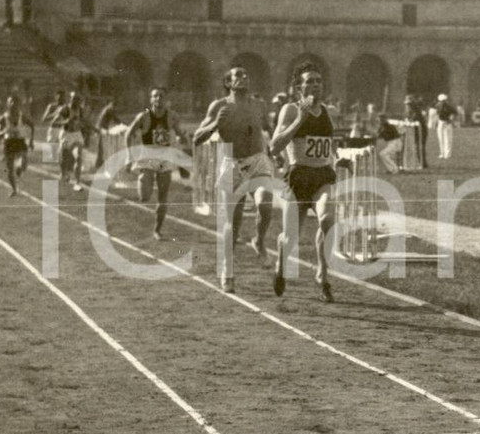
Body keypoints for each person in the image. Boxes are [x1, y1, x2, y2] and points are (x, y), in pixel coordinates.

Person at [193, 67, 275, 293]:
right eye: (238, 75)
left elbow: (272, 132)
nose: (244, 77)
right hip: (231, 164)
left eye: (246, 74)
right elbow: (196, 138)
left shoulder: (259, 105)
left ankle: (258, 240)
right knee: (232, 224)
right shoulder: (219, 106)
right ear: (228, 82)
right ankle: (227, 273)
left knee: (265, 204)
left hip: (257, 160)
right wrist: (214, 125)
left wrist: (280, 153)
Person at [269, 62, 339, 303]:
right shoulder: (289, 110)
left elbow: (326, 144)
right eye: (309, 81)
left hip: (322, 176)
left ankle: (322, 274)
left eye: (318, 80)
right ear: (299, 87)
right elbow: (274, 146)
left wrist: (338, 158)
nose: (315, 85)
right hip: (298, 178)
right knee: (290, 239)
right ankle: (281, 262)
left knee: (328, 220)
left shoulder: (328, 111)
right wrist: (300, 118)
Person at [126, 87, 185, 241]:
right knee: (144, 197)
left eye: (161, 96)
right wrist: (129, 156)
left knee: (163, 196)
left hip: (164, 158)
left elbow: (180, 134)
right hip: (147, 156)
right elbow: (128, 133)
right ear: (151, 100)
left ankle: (157, 230)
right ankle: (146, 180)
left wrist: (182, 138)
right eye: (155, 96)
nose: (158, 99)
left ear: (165, 99)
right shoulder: (144, 116)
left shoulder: (172, 116)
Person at [0, 95, 34, 197]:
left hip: (20, 141)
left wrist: (31, 141)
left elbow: (32, 126)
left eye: (14, 103)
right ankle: (13, 189)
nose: (12, 105)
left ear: (17, 105)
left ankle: (19, 168)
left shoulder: (22, 116)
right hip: (9, 142)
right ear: (8, 104)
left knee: (23, 164)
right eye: (10, 102)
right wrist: (0, 134)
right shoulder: (4, 117)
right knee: (9, 168)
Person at [51, 91, 91, 191]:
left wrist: (93, 130)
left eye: (77, 99)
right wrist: (65, 121)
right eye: (73, 99)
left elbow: (85, 122)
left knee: (78, 157)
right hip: (66, 135)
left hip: (77, 135)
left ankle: (77, 183)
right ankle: (63, 173)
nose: (75, 101)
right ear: (70, 99)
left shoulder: (81, 110)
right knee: (63, 157)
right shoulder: (65, 109)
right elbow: (54, 122)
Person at [95, 99, 122, 170]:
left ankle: (100, 162)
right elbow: (115, 119)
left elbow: (114, 119)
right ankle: (100, 162)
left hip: (102, 127)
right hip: (101, 127)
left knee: (102, 145)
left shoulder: (108, 108)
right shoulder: (109, 109)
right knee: (103, 144)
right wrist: (122, 124)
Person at [404, 95, 428, 169]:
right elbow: (408, 117)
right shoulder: (409, 110)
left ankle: (422, 163)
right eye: (407, 104)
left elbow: (415, 118)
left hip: (421, 130)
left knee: (419, 147)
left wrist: (409, 120)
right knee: (418, 146)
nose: (408, 105)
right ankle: (423, 163)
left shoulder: (416, 110)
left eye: (409, 104)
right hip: (415, 130)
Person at [435, 93, 457, 160]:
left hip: (442, 122)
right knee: (447, 139)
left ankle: (443, 154)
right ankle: (446, 154)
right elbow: (455, 112)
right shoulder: (448, 106)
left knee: (442, 138)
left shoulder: (438, 105)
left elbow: (438, 115)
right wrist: (451, 118)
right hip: (446, 122)